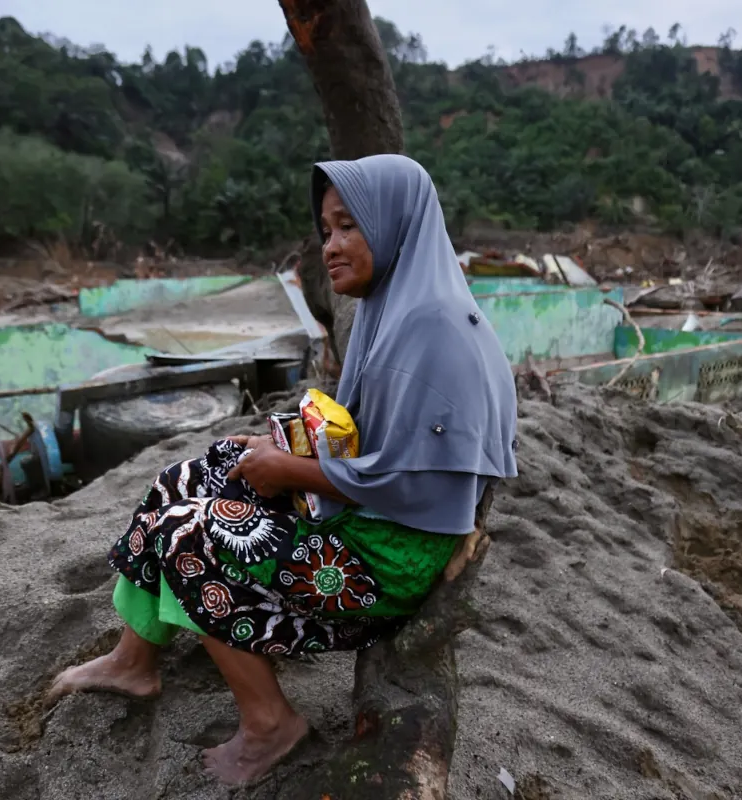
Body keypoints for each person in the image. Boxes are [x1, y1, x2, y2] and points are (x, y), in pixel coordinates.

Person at [46, 154, 519, 785]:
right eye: (326, 231)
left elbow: (420, 486)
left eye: (349, 226)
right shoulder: (395, 308)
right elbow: (367, 438)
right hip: (363, 514)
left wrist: (293, 473)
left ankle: (271, 722)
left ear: (395, 224)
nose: (331, 246)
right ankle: (134, 659)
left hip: (388, 556)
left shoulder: (437, 332)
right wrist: (283, 448)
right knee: (192, 477)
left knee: (192, 534)